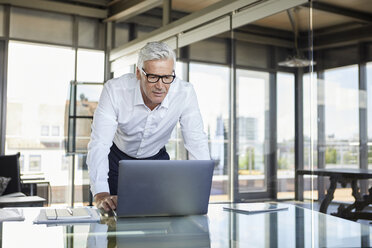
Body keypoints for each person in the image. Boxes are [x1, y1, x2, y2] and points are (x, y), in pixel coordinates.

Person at [87, 41, 210, 212]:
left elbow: (196, 141)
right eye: (153, 77)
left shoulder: (185, 93)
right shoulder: (115, 90)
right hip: (117, 160)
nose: (160, 86)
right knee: (112, 221)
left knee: (159, 218)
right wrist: (100, 194)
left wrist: (201, 191)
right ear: (139, 73)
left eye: (167, 77)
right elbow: (99, 144)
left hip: (156, 161)